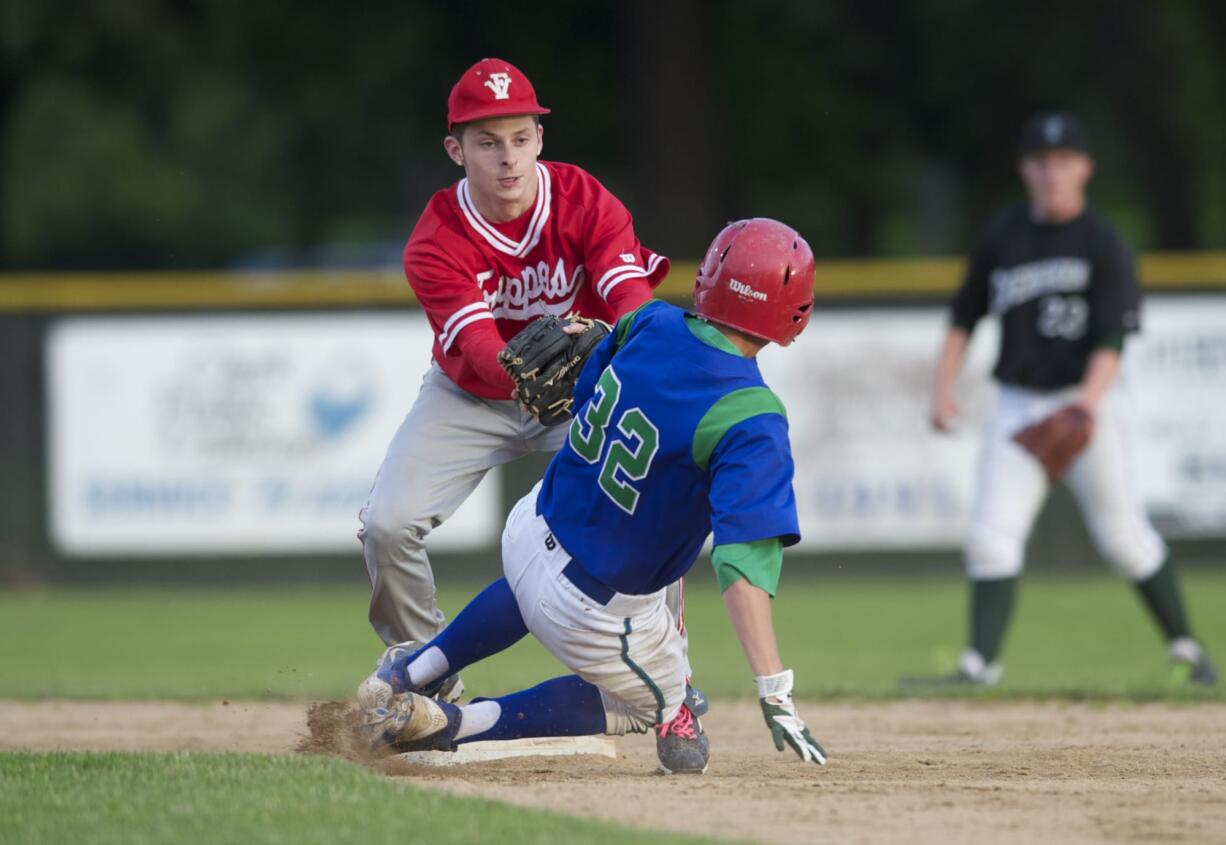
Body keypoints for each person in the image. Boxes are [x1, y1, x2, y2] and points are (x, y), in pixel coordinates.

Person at [357, 218, 827, 774]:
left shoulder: (649, 321)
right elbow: (741, 562)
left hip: (528, 529)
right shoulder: (752, 416)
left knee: (542, 583)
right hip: (587, 608)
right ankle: (454, 725)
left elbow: (583, 393)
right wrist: (773, 687)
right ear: (794, 313)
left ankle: (407, 673)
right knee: (646, 705)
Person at [358, 57, 708, 767]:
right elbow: (481, 348)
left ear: (539, 140)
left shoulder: (584, 200)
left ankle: (676, 684)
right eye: (488, 142)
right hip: (472, 395)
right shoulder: (437, 235)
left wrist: (624, 360)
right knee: (387, 524)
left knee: (660, 492)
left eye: (520, 136)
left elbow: (630, 301)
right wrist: (535, 371)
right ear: (456, 150)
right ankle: (422, 664)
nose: (508, 156)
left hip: (582, 392)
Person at [925, 112, 1216, 686]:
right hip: (1015, 402)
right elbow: (964, 316)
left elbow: (1113, 340)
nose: (1051, 172)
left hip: (1088, 402)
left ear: (1084, 167)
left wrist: (1084, 405)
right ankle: (979, 664)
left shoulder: (1103, 243)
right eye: (1040, 161)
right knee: (991, 535)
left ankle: (1187, 648)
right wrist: (943, 387)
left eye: (1062, 161)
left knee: (1124, 539)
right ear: (1024, 169)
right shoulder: (1003, 236)